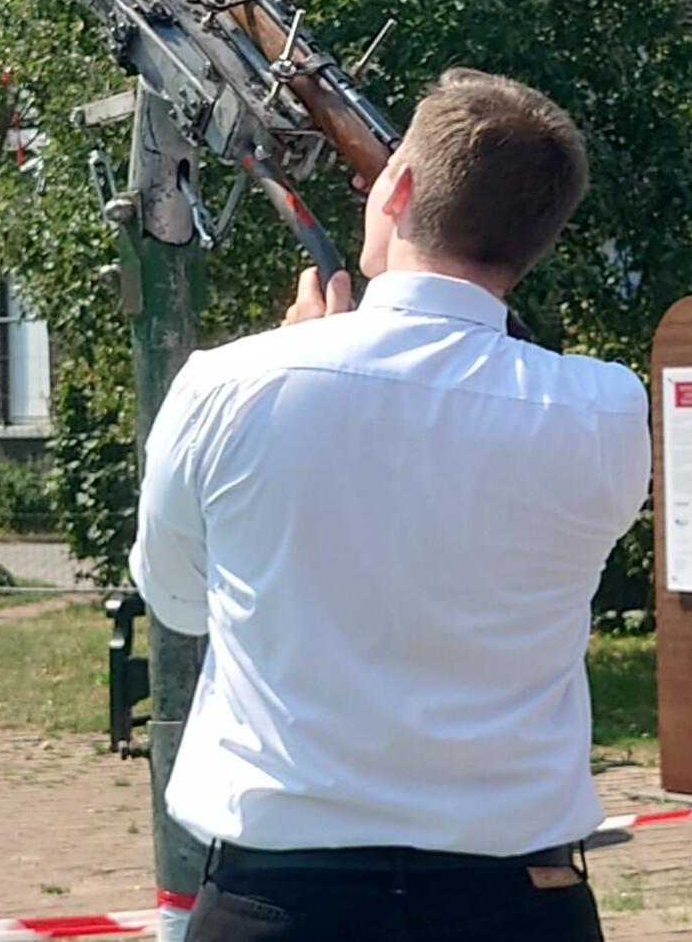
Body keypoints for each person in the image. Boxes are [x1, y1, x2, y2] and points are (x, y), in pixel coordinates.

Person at [129, 68, 651, 942]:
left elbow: (179, 600)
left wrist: (292, 361)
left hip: (283, 901)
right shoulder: (606, 410)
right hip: (519, 902)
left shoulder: (228, 383)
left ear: (398, 188)